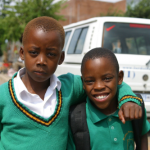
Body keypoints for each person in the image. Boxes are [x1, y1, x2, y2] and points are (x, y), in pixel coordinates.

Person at [0, 17, 142, 150]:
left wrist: (128, 100)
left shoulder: (68, 87)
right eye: (33, 52)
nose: (41, 61)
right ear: (22, 53)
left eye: (51, 54)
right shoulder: (3, 95)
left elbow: (111, 85)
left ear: (61, 57)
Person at [67, 48, 149, 150]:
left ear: (119, 78)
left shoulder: (133, 107)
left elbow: (142, 135)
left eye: (107, 78)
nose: (99, 86)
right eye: (90, 81)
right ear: (83, 83)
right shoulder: (76, 118)